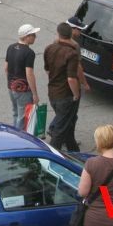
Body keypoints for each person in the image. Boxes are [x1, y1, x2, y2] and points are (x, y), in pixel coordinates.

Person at [43, 22, 81, 151]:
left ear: (58, 33)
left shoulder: (49, 48)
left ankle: (74, 151)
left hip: (53, 93)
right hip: (65, 95)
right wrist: (76, 94)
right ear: (71, 35)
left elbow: (47, 70)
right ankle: (53, 154)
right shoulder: (72, 53)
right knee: (60, 130)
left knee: (68, 123)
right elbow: (71, 78)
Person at [5, 24, 40, 129]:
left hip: (11, 87)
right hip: (23, 90)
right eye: (33, 35)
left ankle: (14, 134)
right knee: (23, 117)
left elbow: (6, 68)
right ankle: (20, 137)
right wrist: (35, 94)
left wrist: (11, 83)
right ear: (26, 36)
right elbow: (29, 74)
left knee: (15, 113)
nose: (35, 37)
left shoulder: (10, 47)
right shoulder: (29, 53)